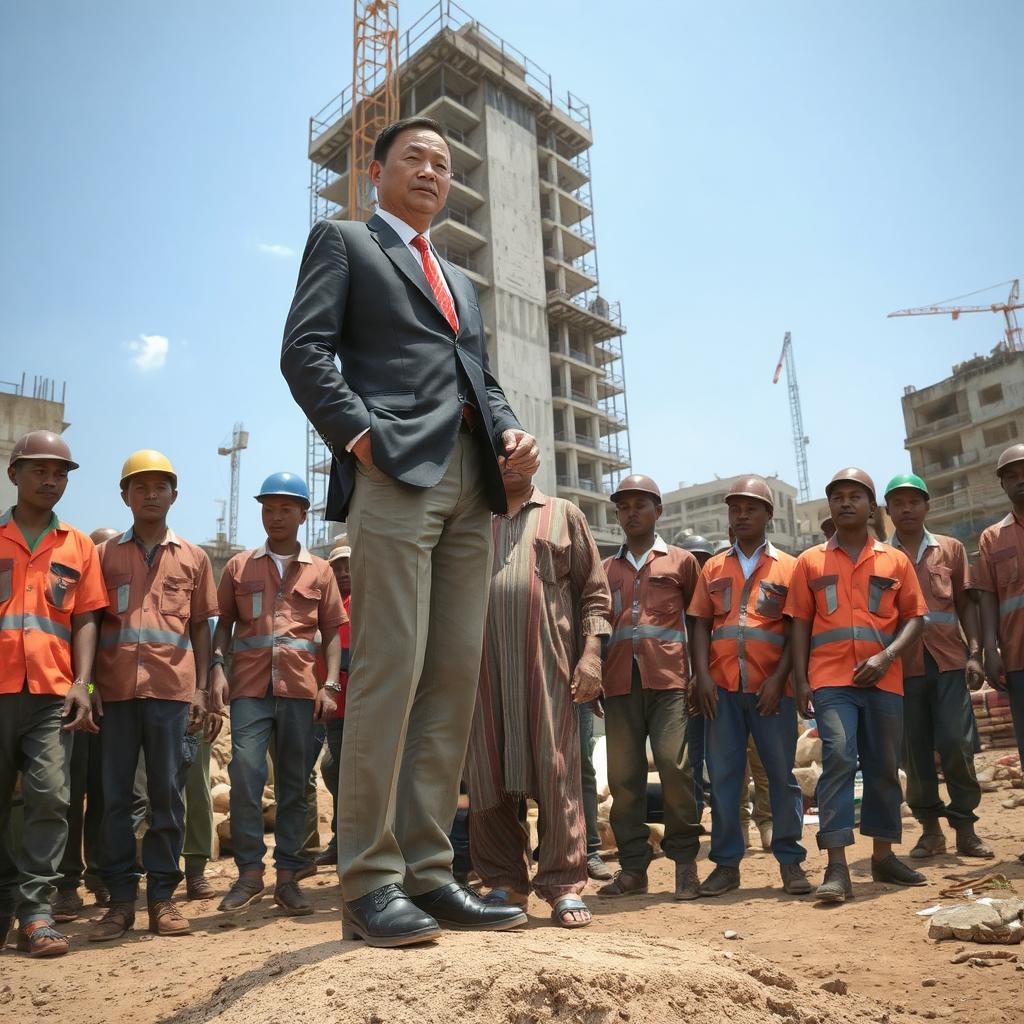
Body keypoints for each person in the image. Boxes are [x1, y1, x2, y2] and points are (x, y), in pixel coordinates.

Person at [280, 116, 536, 947]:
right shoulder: (346, 242)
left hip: (472, 484)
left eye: (445, 164)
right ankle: (367, 883)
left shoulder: (459, 279)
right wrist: (362, 439)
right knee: (390, 668)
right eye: (416, 158)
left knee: (453, 675)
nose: (432, 172)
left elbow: (479, 376)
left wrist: (508, 433)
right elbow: (304, 350)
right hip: (395, 474)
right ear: (378, 170)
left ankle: (428, 874)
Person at [465, 459, 611, 928]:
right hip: (481, 672)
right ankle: (504, 881)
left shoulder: (564, 513)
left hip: (548, 668)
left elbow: (594, 592)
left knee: (557, 770)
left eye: (517, 456)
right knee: (487, 772)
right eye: (497, 455)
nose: (506, 464)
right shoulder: (468, 518)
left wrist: (591, 656)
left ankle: (563, 885)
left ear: (535, 463)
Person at [88, 451, 219, 941]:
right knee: (116, 799)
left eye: (159, 486)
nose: (150, 494)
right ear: (125, 496)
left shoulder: (193, 557)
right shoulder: (103, 557)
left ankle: (162, 898)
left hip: (171, 692)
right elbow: (92, 624)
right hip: (116, 695)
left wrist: (203, 689)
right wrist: (91, 687)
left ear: (174, 495)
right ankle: (119, 902)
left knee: (167, 795)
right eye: (139, 487)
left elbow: (202, 630)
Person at [785, 468, 928, 903]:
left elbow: (915, 618)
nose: (845, 503)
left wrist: (886, 656)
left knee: (884, 765)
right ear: (830, 507)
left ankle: (883, 856)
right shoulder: (810, 561)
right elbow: (799, 623)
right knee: (841, 755)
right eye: (837, 497)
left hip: (885, 678)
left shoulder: (894, 560)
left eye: (854, 496)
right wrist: (800, 679)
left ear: (871, 507)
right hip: (830, 679)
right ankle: (837, 867)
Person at [210, 472, 343, 917]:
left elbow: (331, 633)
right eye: (269, 508)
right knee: (246, 775)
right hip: (248, 688)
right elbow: (222, 625)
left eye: (286, 508)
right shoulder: (239, 566)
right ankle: (249, 873)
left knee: (293, 786)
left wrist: (330, 685)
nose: (276, 516)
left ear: (304, 514)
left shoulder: (320, 570)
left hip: (302, 690)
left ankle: (288, 877)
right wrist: (215, 669)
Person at [0, 431, 106, 957]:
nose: (50, 480)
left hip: (50, 693)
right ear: (14, 474)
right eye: (39, 470)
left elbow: (86, 620)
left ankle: (36, 913)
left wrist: (82, 683)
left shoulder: (78, 545)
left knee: (50, 796)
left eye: (60, 472)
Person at [689, 477, 811, 896]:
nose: (741, 515)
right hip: (721, 691)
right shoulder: (713, 567)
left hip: (770, 692)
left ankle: (791, 863)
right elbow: (701, 624)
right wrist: (702, 676)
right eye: (735, 509)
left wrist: (782, 680)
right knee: (723, 777)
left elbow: (796, 628)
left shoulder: (789, 567)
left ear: (768, 515)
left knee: (781, 777)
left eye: (751, 508)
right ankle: (726, 865)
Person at [599, 475, 704, 900]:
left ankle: (684, 863)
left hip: (670, 681)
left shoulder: (681, 562)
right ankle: (633, 869)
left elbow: (698, 620)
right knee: (623, 778)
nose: (631, 512)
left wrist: (700, 673)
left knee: (675, 767)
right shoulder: (605, 569)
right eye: (624, 506)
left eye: (640, 504)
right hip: (620, 682)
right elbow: (597, 626)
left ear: (658, 511)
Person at [883, 473, 991, 859]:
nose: (907, 508)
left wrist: (975, 652)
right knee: (914, 751)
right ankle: (929, 829)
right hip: (901, 668)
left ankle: (965, 826)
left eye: (914, 501)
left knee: (957, 744)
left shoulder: (950, 549)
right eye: (898, 502)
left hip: (947, 661)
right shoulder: (881, 556)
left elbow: (966, 604)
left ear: (927, 506)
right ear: (888, 511)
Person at [50, 526, 119, 923]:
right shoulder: (74, 602)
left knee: (106, 796)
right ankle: (66, 885)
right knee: (71, 797)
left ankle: (99, 874)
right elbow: (79, 661)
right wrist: (87, 686)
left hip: (114, 711)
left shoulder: (124, 601)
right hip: (73, 705)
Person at [971, 443, 1024, 862]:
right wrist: (990, 649)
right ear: (1003, 484)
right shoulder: (993, 537)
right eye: (1012, 474)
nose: (1020, 479)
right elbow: (986, 598)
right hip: (1018, 657)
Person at [315, 542, 352, 867]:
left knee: (341, 771)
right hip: (330, 706)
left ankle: (347, 841)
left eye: (348, 567)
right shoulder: (327, 607)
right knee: (332, 769)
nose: (342, 574)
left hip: (355, 705)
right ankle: (342, 840)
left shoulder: (363, 605)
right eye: (337, 568)